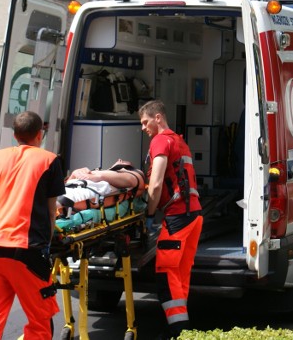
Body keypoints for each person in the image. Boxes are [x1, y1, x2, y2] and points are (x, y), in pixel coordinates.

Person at [0, 111, 66, 340]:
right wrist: (47, 244)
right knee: (40, 320)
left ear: (15, 135)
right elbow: (52, 211)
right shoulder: (49, 160)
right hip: (28, 251)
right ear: (39, 134)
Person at [138, 100, 203, 339]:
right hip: (194, 216)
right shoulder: (179, 140)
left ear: (157, 118)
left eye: (145, 122)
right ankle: (182, 332)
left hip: (177, 217)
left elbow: (155, 184)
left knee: (166, 276)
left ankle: (179, 332)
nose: (143, 128)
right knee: (180, 277)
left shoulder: (160, 141)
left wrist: (149, 213)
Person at [57, 159, 146, 211]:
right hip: (70, 191)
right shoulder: (102, 175)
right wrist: (75, 174)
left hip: (72, 195)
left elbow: (135, 182)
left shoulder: (131, 176)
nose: (119, 160)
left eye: (122, 162)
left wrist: (96, 175)